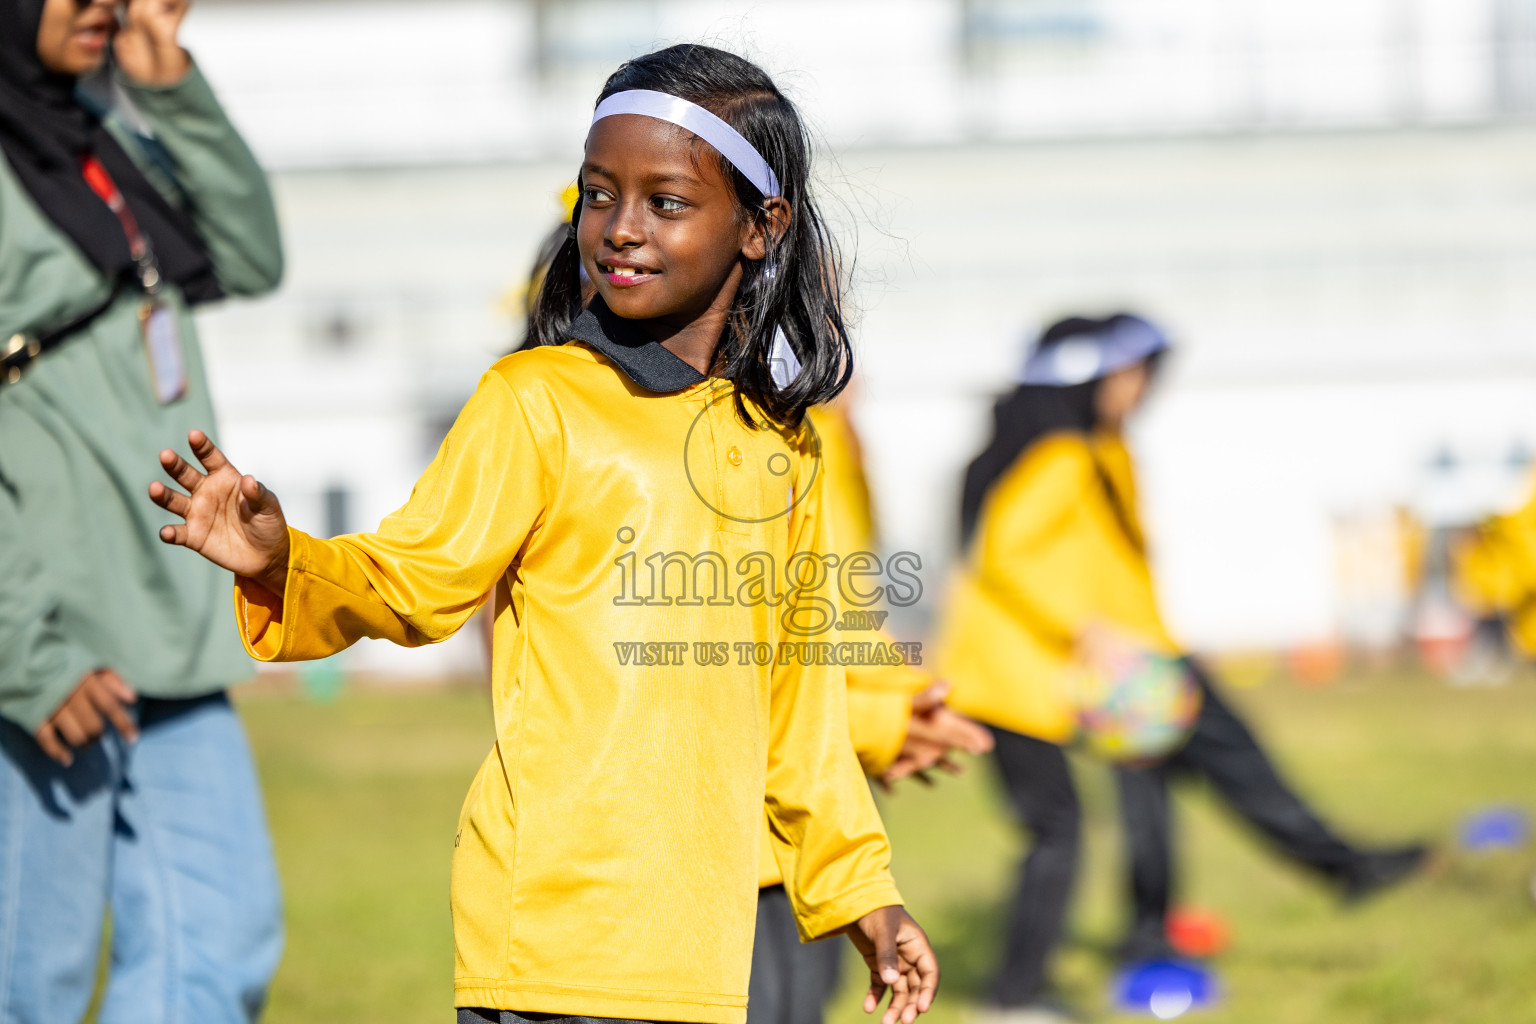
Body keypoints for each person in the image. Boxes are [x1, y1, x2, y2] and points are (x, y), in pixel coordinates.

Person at [150, 44, 939, 1024]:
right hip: (552, 940)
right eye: (598, 194)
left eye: (665, 201)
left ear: (760, 226)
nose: (619, 228)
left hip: (702, 952)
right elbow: (411, 579)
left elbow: (797, 713)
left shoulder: (783, 444)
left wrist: (863, 895)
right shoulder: (534, 401)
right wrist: (286, 559)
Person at [938, 314, 1427, 1020]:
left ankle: (1143, 936)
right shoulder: (1062, 455)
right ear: (1088, 378)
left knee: (1146, 799)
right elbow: (1005, 553)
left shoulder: (1099, 449)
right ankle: (1018, 997)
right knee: (1068, 824)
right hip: (1075, 673)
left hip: (1125, 666)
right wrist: (1092, 630)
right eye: (1129, 374)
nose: (1142, 389)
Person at [0, 0, 285, 1021]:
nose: (104, 5)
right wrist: (23, 656)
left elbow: (252, 254)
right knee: (29, 982)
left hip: (168, 626)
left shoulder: (101, 136)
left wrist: (171, 87)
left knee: (219, 950)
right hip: (44, 654)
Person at [748, 398, 993, 1024]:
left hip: (803, 793)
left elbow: (829, 610)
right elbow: (720, 661)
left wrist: (894, 701)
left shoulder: (813, 433)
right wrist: (885, 720)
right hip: (729, 826)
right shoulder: (748, 436)